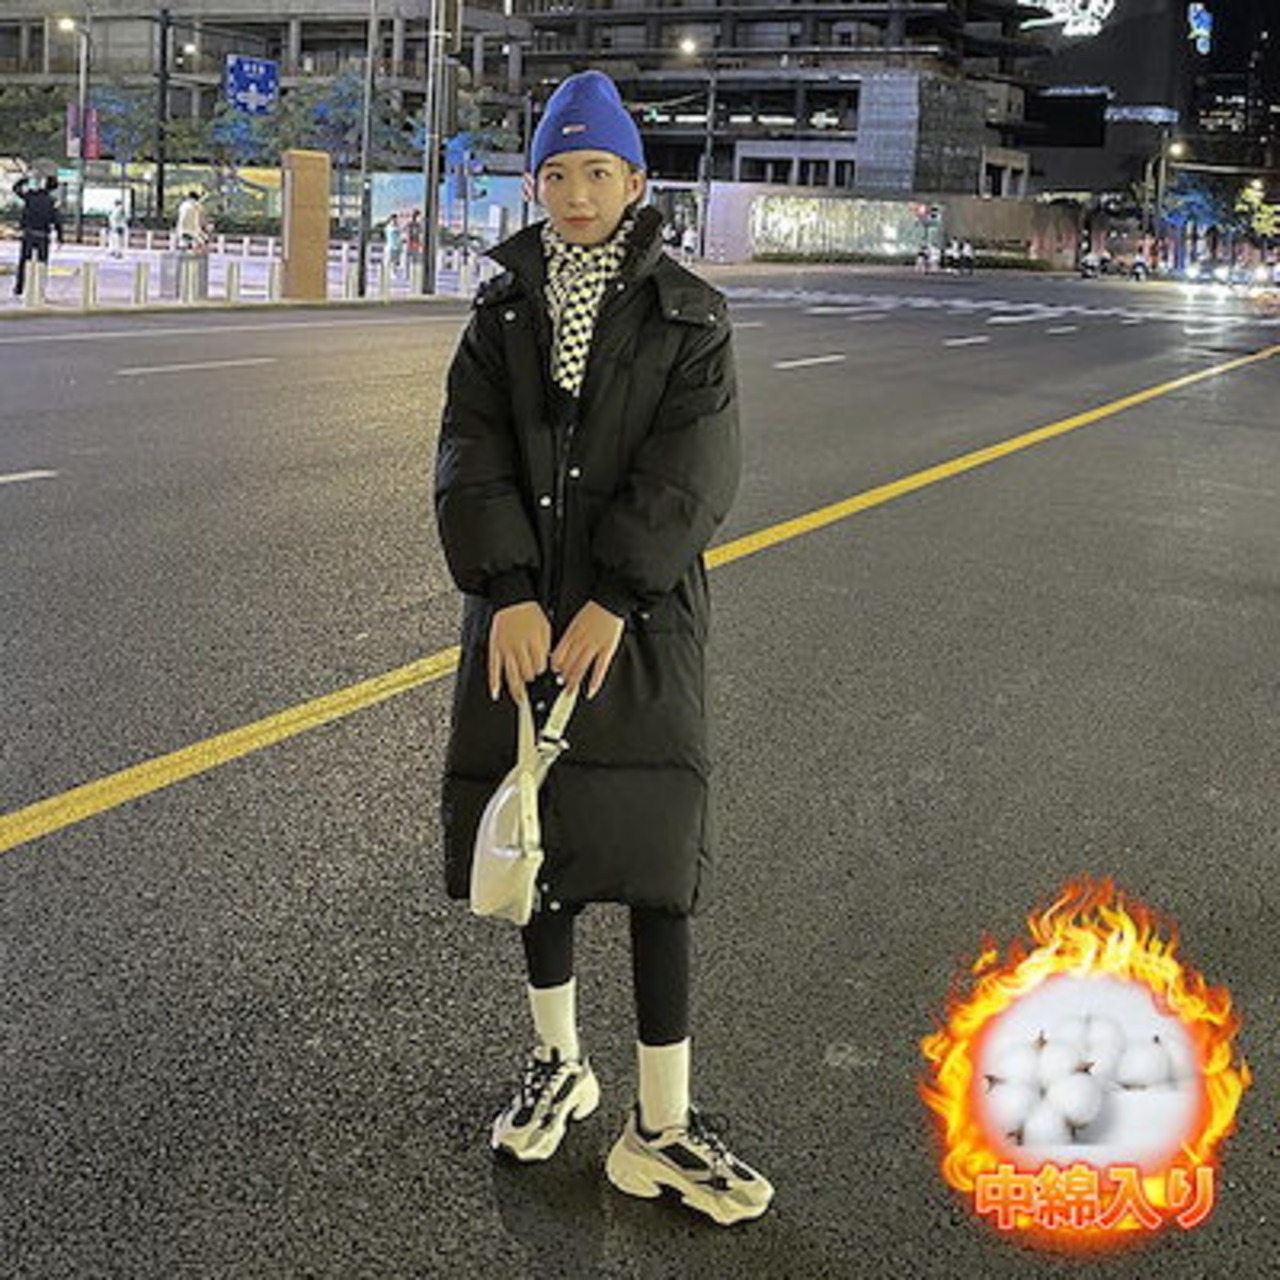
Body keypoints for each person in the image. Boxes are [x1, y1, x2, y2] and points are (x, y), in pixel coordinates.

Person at [434, 69, 773, 1227]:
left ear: (634, 181)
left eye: (597, 172)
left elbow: (693, 471)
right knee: (542, 837)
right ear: (533, 185)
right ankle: (558, 1061)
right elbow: (468, 454)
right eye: (556, 174)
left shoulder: (689, 314)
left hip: (641, 621)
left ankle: (660, 1124)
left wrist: (615, 596)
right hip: (523, 620)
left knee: (654, 862)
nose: (575, 193)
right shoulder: (499, 314)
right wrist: (507, 591)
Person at [12, 174, 63, 298]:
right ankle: (40, 290)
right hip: (43, 235)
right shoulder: (52, 201)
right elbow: (57, 220)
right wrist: (60, 237)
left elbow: (16, 189)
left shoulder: (31, 196)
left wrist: (25, 179)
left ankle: (19, 288)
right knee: (42, 263)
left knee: (24, 262)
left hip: (28, 233)